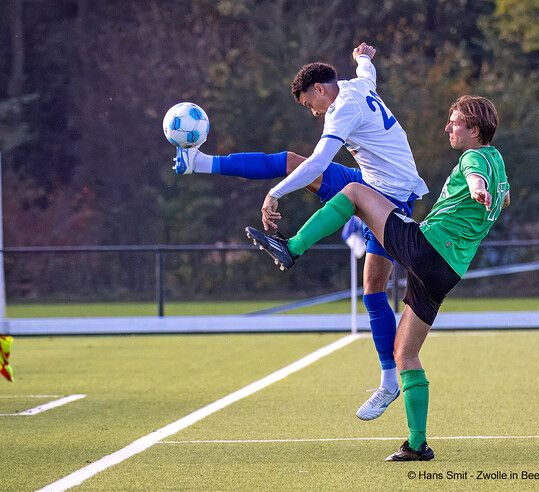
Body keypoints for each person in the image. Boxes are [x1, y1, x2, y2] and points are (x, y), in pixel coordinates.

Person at [173, 42, 429, 420]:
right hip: (374, 182)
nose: (313, 112)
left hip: (392, 198)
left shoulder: (342, 110)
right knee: (294, 161)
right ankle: (200, 161)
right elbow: (366, 72)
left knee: (373, 285)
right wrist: (364, 57)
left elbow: (320, 163)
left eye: (310, 104)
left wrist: (274, 193)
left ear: (321, 89)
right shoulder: (356, 86)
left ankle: (389, 380)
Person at [246, 95, 509, 461]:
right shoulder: (498, 161)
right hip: (446, 272)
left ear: (474, 130)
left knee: (354, 191)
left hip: (428, 248)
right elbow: (503, 196)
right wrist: (488, 195)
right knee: (406, 353)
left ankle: (291, 247)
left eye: (454, 122)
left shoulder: (475, 158)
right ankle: (418, 444)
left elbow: (474, 176)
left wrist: (477, 187)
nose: (448, 127)